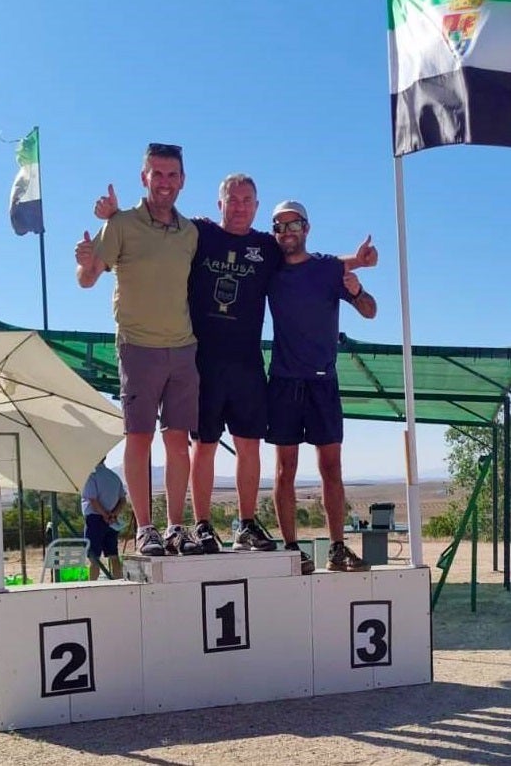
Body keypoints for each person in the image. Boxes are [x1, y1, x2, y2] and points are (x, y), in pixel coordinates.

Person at [92, 174, 377, 560]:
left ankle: (245, 523)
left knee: (249, 445)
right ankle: (202, 524)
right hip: (202, 359)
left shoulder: (266, 247)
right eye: (233, 199)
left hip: (247, 363)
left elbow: (308, 260)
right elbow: (156, 229)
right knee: (203, 446)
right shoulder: (200, 233)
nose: (240, 205)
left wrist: (356, 262)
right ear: (219, 203)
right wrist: (114, 218)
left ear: (256, 207)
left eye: (247, 200)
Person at [75, 142, 202, 558]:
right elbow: (87, 279)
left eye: (172, 175)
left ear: (182, 180)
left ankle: (176, 528)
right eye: (157, 174)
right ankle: (146, 528)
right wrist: (85, 258)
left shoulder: (191, 232)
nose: (164, 183)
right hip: (137, 346)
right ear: (143, 177)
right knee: (139, 437)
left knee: (178, 440)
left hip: (183, 347)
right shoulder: (122, 223)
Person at [267, 200, 376, 572]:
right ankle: (292, 549)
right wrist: (359, 259)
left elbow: (370, 311)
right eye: (279, 226)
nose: (286, 232)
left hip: (322, 382)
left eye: (293, 224)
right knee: (285, 469)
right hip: (283, 381)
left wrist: (358, 285)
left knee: (332, 467)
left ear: (307, 228)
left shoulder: (330, 269)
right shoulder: (270, 270)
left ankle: (337, 549)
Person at [81, 458, 125, 579]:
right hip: (112, 521)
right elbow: (123, 499)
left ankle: (92, 586)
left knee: (94, 558)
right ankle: (119, 583)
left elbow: (93, 500)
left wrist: (104, 514)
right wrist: (113, 514)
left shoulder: (92, 476)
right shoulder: (114, 476)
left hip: (95, 520)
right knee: (114, 556)